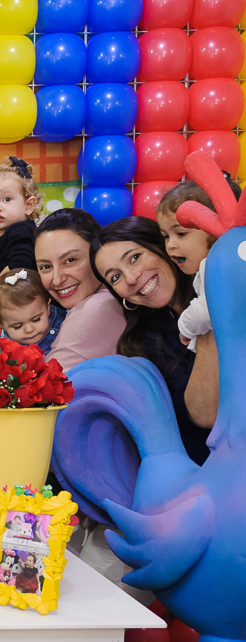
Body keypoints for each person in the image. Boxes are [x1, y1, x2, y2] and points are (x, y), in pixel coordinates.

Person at [91, 215, 209, 465]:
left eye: (135, 257)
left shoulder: (224, 281)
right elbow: (204, 414)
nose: (131, 278)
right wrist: (207, 318)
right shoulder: (140, 345)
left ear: (163, 246)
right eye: (115, 277)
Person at [33, 208, 126, 371]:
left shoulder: (97, 307)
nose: (57, 279)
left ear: (97, 254)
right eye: (46, 266)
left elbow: (44, 388)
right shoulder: (111, 297)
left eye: (70, 260)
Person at [157, 179, 237, 353]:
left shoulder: (217, 264)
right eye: (165, 236)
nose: (170, 245)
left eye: (181, 233)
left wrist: (185, 327)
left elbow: (207, 309)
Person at [0, 157, 41, 278]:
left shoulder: (22, 231)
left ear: (28, 205)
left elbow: (20, 265)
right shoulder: (4, 235)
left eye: (7, 199)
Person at [0, 268, 65, 353]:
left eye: (36, 319)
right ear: (1, 325)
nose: (29, 329)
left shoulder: (65, 321)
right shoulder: (9, 352)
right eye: (17, 326)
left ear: (48, 308)